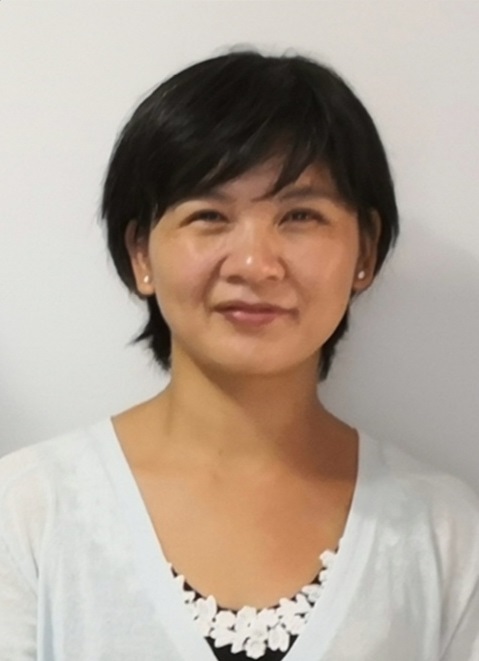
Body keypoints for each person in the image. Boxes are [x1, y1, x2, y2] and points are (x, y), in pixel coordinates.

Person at [1, 49, 478, 661]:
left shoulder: (444, 533)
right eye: (209, 215)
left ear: (365, 250)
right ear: (141, 253)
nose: (255, 264)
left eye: (300, 215)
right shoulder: (30, 512)